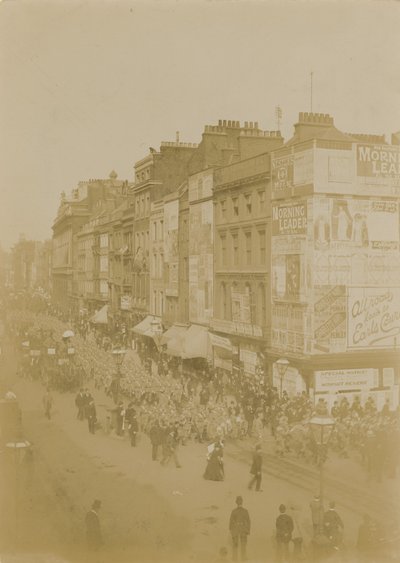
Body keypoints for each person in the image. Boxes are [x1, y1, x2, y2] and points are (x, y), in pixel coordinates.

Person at [229, 496, 250, 562]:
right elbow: (231, 522)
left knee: (243, 547)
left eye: (240, 501)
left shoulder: (245, 511)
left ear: (242, 502)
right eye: (238, 501)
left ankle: (243, 560)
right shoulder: (234, 511)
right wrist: (232, 531)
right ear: (236, 502)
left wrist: (247, 530)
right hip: (235, 530)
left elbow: (248, 521)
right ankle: (235, 560)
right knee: (235, 546)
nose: (239, 502)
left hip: (243, 530)